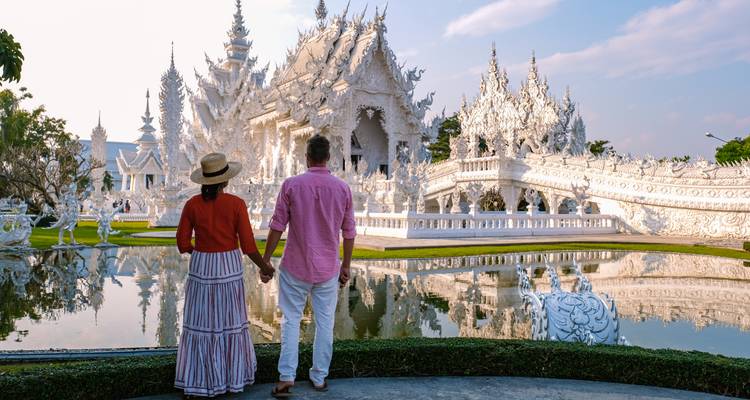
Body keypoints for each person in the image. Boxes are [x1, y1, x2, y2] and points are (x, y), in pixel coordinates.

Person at [174, 152, 275, 397]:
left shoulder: (192, 204)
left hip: (202, 267)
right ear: (226, 180)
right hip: (229, 266)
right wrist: (265, 267)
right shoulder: (236, 204)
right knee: (229, 323)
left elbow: (182, 243)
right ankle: (230, 380)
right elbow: (248, 246)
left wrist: (199, 251)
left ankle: (197, 381)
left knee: (201, 324)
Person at [263, 134, 356, 398]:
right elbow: (349, 232)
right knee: (325, 323)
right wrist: (346, 266)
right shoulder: (341, 189)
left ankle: (286, 378)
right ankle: (318, 377)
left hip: (296, 265)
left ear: (306, 157)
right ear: (328, 158)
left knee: (291, 320)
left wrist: (266, 259)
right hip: (328, 268)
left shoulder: (291, 185)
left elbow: (277, 226)